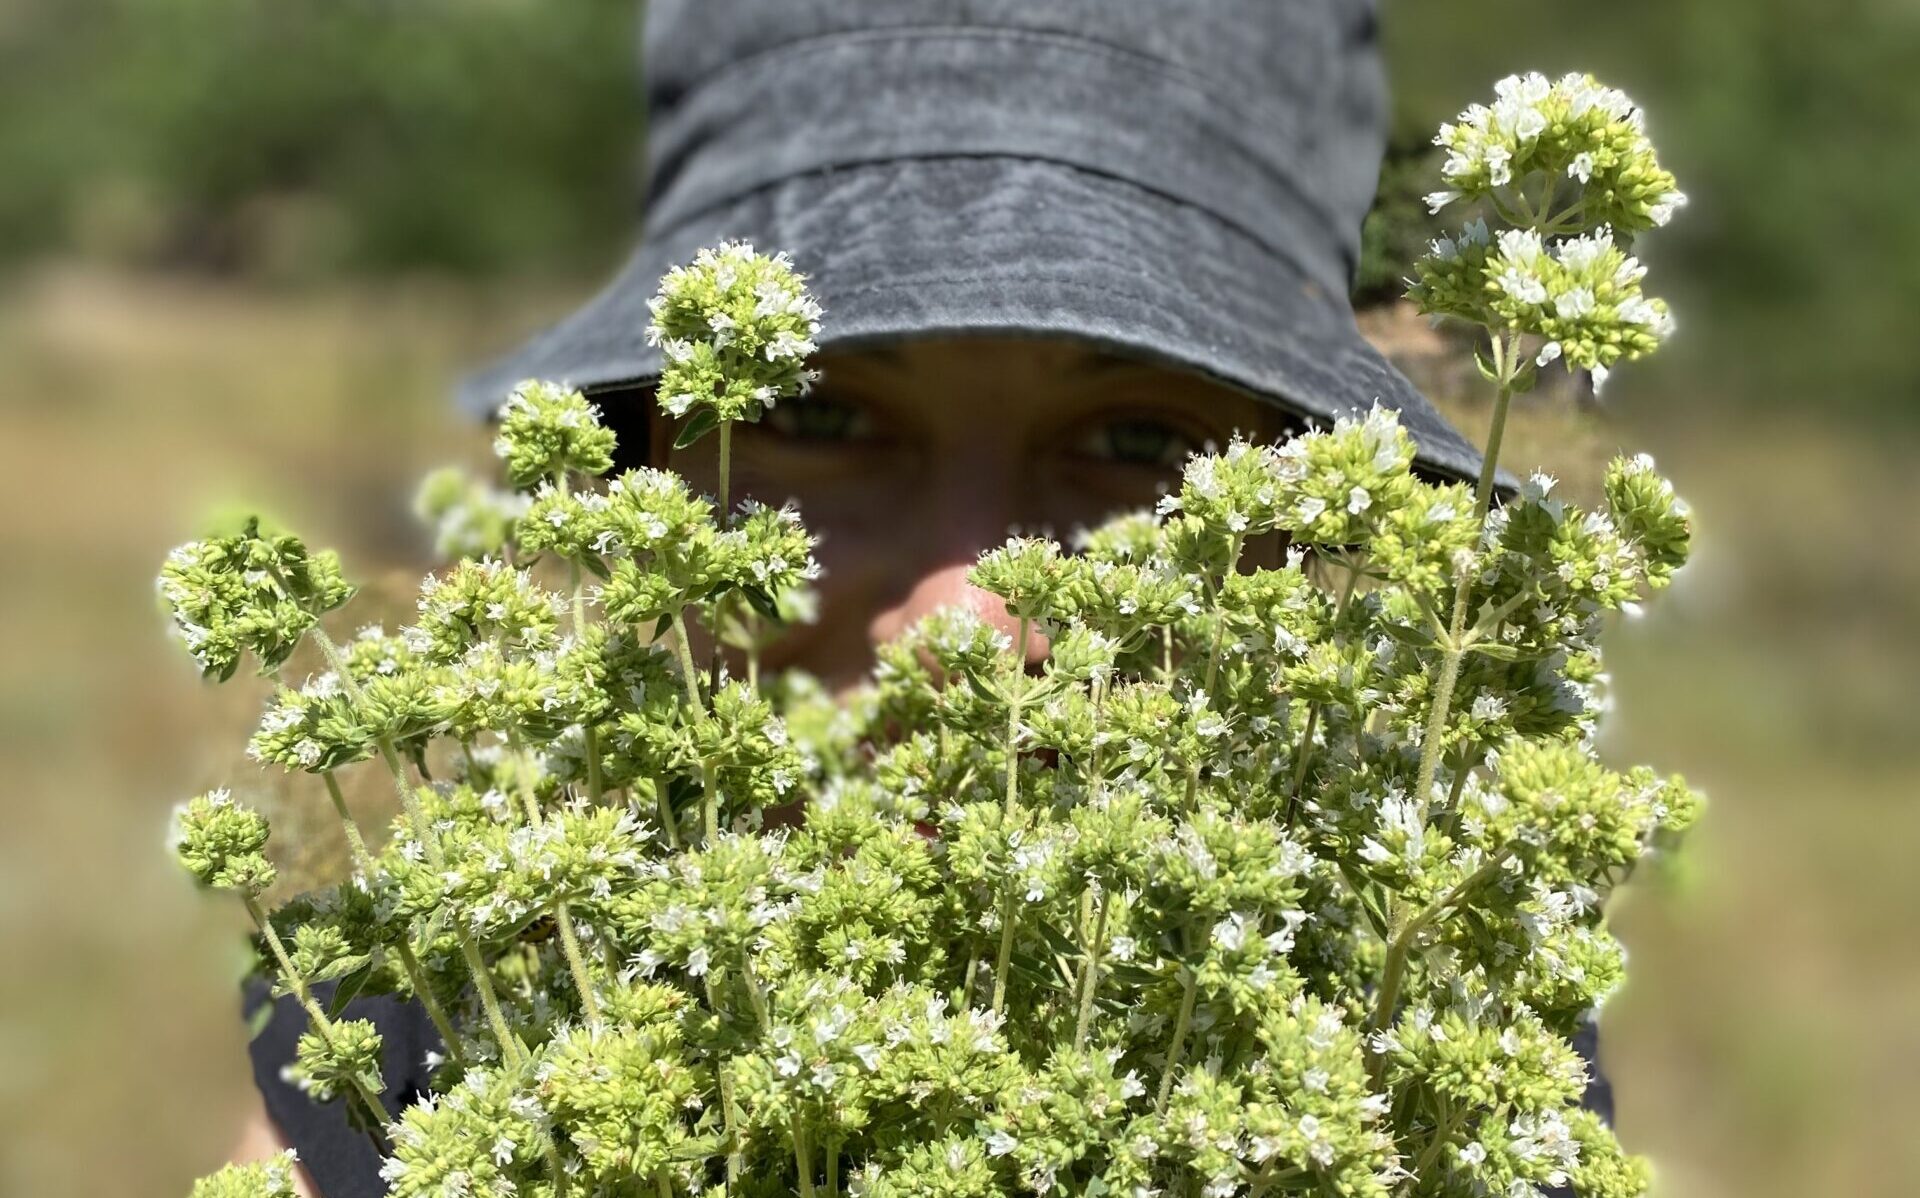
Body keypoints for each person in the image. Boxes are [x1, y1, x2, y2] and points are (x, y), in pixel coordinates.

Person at [232, 3, 1607, 1194]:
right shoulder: (429, 1040)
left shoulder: (1437, 1055)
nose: (967, 624)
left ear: (1317, 517)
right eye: (821, 413)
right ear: (647, 464)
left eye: (1137, 443)